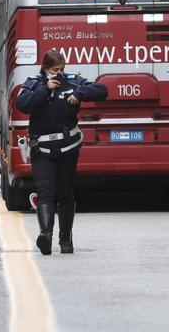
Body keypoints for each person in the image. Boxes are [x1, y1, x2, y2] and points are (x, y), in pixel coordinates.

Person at [16, 49, 107, 255]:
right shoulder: (34, 83)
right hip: (42, 148)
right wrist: (45, 89)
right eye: (55, 70)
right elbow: (22, 104)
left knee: (65, 193)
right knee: (45, 192)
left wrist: (79, 93)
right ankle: (45, 235)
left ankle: (65, 238)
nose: (59, 74)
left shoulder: (72, 82)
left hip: (67, 149)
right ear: (45, 69)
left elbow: (102, 91)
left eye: (62, 69)